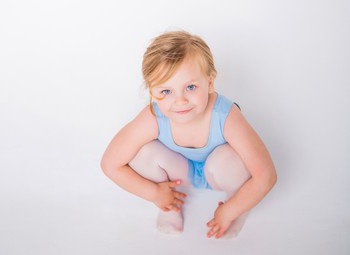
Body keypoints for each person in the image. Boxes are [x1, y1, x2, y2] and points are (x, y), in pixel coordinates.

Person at [101, 30, 277, 239]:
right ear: (152, 91)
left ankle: (238, 203)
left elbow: (266, 175)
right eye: (166, 91)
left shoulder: (225, 115)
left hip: (222, 171)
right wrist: (155, 194)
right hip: (181, 173)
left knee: (227, 159)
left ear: (210, 82)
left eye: (191, 87)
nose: (180, 101)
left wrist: (230, 210)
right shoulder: (153, 117)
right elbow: (110, 164)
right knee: (144, 153)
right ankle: (171, 204)